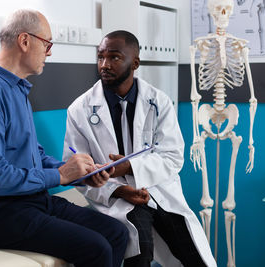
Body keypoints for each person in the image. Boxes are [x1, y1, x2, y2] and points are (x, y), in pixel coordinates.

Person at [0, 10, 129, 267]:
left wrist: (81, 172)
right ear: (25, 41)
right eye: (47, 44)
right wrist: (61, 175)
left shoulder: (16, 88)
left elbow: (32, 156)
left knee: (116, 232)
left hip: (30, 201)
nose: (50, 52)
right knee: (96, 248)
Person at [63, 30, 216, 267]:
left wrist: (129, 166)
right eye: (100, 57)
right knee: (139, 247)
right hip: (115, 195)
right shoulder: (79, 110)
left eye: (114, 57)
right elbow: (77, 171)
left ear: (135, 63)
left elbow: (173, 157)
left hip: (159, 189)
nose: (104, 64)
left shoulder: (158, 102)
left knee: (193, 252)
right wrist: (117, 190)